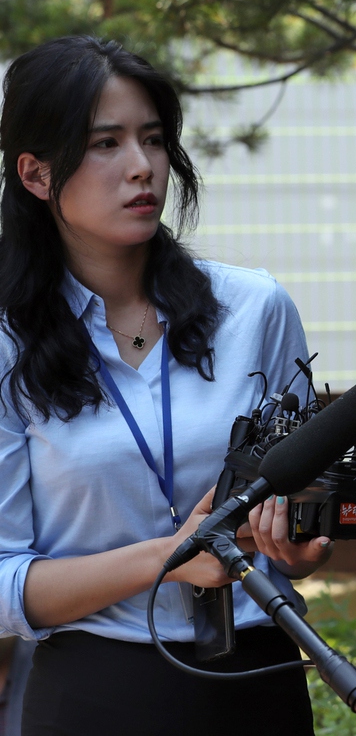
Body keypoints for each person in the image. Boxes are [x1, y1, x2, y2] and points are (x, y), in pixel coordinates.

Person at [0, 36, 332, 736]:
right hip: (94, 687)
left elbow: (305, 522)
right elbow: (4, 581)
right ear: (35, 173)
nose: (142, 167)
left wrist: (301, 547)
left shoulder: (256, 309)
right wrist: (172, 560)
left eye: (153, 139)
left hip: (258, 674)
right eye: (105, 143)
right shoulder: (7, 343)